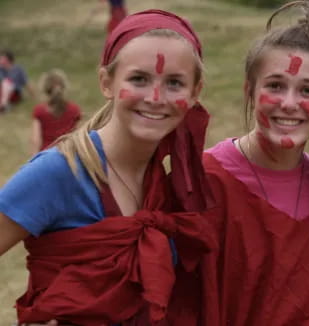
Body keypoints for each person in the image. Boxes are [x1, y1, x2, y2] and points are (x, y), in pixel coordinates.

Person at [0, 9, 215, 325]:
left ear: (195, 92)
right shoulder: (59, 172)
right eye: (139, 79)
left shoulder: (169, 183)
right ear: (106, 82)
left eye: (174, 83)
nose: (155, 97)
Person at [190, 0, 309, 325]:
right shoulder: (205, 181)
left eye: (307, 90)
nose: (289, 103)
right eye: (275, 86)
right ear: (250, 91)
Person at [31, 69, 82, 154]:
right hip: (69, 155)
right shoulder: (74, 109)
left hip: (46, 157)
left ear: (45, 89)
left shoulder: (39, 111)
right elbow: (80, 136)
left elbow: (35, 140)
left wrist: (33, 161)